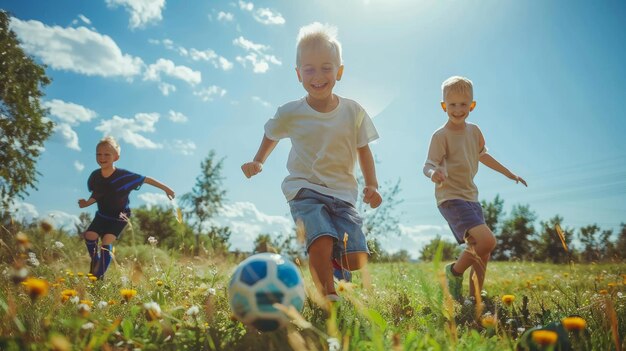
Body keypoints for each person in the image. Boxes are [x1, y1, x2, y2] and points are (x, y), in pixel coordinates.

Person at [241, 22, 382, 302]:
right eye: (309, 69)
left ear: (339, 71)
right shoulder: (291, 112)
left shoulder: (353, 111)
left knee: (356, 258)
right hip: (304, 189)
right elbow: (271, 134)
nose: (318, 76)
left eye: (326, 68)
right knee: (321, 239)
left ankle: (334, 267)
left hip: (343, 194)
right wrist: (258, 161)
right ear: (298, 74)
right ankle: (327, 295)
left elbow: (364, 149)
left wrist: (373, 185)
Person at [423, 76, 527, 301]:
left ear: (472, 105)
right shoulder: (440, 136)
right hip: (450, 197)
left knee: (483, 251)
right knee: (487, 241)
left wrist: (509, 173)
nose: (458, 109)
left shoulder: (475, 131)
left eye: (463, 104)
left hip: (471, 197)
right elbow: (428, 165)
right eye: (452, 105)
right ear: (443, 106)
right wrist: (434, 174)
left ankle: (474, 299)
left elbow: (483, 156)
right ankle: (454, 272)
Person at [78, 136, 174, 279]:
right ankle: (96, 261)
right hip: (102, 215)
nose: (102, 157)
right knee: (89, 235)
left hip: (120, 217)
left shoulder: (123, 176)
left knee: (106, 242)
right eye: (99, 154)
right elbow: (97, 194)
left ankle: (98, 276)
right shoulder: (95, 176)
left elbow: (146, 179)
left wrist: (166, 189)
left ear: (116, 157)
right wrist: (86, 203)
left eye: (107, 154)